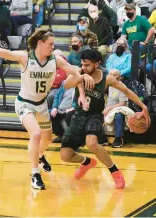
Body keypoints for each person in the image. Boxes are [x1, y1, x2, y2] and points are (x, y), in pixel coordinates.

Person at [0, 17, 86, 190]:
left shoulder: (56, 60)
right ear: (40, 43)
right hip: (25, 103)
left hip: (42, 105)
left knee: (47, 139)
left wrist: (82, 89)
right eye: (51, 44)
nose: (53, 47)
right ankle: (35, 174)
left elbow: (76, 72)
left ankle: (39, 156)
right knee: (36, 134)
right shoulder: (25, 57)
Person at [60, 49, 150, 189]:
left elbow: (126, 91)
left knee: (92, 143)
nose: (84, 67)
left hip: (95, 115)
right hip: (78, 115)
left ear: (97, 64)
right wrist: (81, 77)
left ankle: (115, 171)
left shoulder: (106, 78)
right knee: (65, 155)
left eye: (87, 65)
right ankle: (87, 162)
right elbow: (66, 85)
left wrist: (143, 107)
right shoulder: (79, 72)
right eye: (82, 64)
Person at [103, 70, 128, 148]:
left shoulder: (122, 87)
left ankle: (118, 139)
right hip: (106, 108)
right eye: (110, 74)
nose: (111, 76)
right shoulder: (106, 85)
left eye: (114, 75)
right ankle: (102, 138)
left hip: (118, 109)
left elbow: (122, 103)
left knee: (119, 115)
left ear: (119, 77)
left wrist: (109, 108)